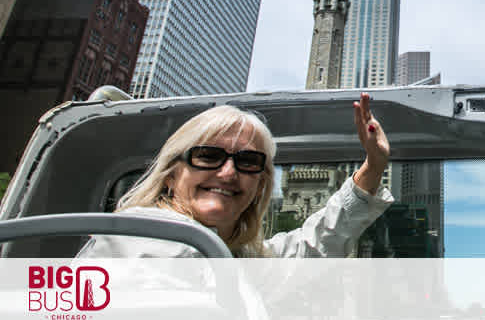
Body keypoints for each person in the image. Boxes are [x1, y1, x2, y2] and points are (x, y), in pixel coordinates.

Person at [78, 93, 393, 258]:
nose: (228, 172)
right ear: (172, 175)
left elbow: (311, 246)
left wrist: (373, 167)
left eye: (247, 161)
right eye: (208, 156)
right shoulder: (144, 241)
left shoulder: (238, 257)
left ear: (260, 186)